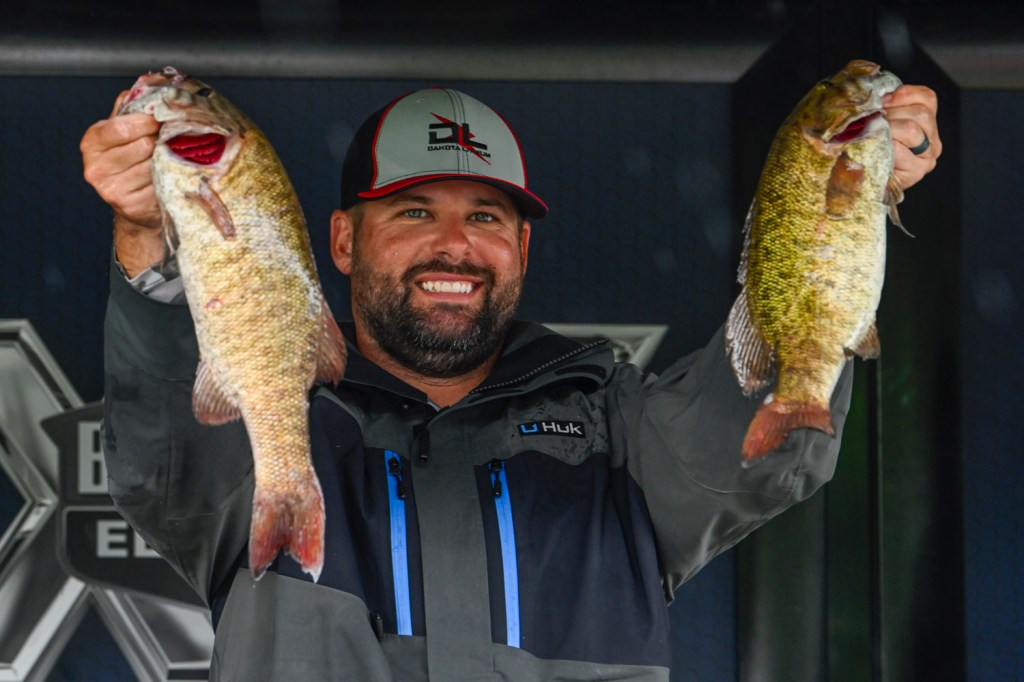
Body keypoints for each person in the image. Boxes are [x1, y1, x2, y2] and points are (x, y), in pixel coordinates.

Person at [81, 81, 940, 681]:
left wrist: (846, 196)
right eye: (415, 211)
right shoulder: (274, 430)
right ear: (343, 241)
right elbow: (163, 456)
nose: (454, 245)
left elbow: (763, 445)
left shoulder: (615, 429)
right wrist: (148, 237)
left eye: (486, 215)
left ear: (521, 249)